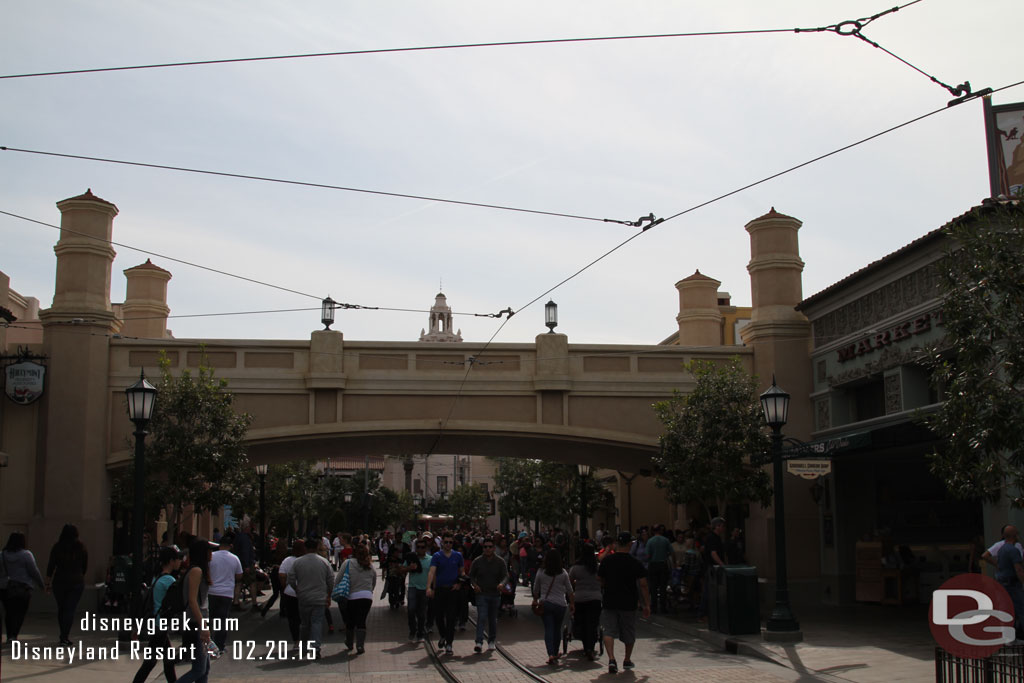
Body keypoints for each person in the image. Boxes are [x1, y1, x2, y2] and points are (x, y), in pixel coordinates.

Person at [599, 532, 650, 675]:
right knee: (629, 630)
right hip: (629, 601)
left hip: (610, 599)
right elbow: (643, 584)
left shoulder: (607, 561)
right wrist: (646, 604)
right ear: (630, 544)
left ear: (616, 544)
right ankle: (627, 659)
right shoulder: (634, 562)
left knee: (608, 630)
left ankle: (611, 659)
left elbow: (600, 578)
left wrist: (606, 585)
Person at [132, 545, 183, 683]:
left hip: (157, 624)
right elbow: (178, 602)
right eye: (178, 559)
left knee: (167, 660)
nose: (180, 561)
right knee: (150, 662)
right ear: (171, 561)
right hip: (160, 625)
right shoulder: (169, 580)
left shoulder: (158, 577)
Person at [288, 536, 334, 658]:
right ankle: (315, 648)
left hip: (304, 597)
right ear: (317, 547)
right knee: (317, 623)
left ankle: (303, 647)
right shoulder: (324, 562)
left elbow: (291, 578)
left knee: (304, 624)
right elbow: (330, 580)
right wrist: (328, 595)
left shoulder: (298, 562)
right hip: (319, 597)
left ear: (305, 548)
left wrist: (297, 589)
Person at [176, 537, 214, 683]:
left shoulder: (198, 570)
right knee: (199, 670)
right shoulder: (196, 571)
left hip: (198, 622)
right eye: (209, 550)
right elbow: (192, 601)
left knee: (204, 670)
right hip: (195, 623)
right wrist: (203, 626)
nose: (211, 554)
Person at [46, 523, 89, 645]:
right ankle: (64, 635)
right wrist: (80, 575)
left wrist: (47, 582)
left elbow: (51, 565)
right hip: (76, 581)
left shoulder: (57, 547)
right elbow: (85, 566)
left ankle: (63, 634)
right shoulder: (81, 547)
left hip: (60, 580)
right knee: (70, 609)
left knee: (62, 608)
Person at [1, 532, 45, 644]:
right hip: (23, 588)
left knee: (9, 612)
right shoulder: (26, 555)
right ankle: (14, 635)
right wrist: (41, 585)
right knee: (20, 613)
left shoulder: (2, 555)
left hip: (6, 587)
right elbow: (34, 571)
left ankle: (9, 634)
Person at [532, 547, 574, 666]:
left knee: (549, 629)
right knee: (557, 629)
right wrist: (572, 604)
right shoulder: (563, 573)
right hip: (561, 605)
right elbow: (570, 590)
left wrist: (535, 599)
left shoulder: (541, 572)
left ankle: (550, 653)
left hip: (546, 604)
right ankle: (555, 653)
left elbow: (536, 589)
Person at [427, 531, 466, 655]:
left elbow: (462, 573)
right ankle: (443, 635)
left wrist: (459, 583)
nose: (448, 544)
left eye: (450, 542)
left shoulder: (458, 556)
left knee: (451, 617)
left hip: (452, 590)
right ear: (442, 542)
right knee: (438, 616)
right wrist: (429, 587)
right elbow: (432, 572)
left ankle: (449, 643)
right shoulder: (437, 556)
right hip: (440, 589)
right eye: (446, 542)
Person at [469, 536, 508, 652]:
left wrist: (502, 584)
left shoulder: (500, 561)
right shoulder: (477, 561)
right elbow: (471, 575)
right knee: (481, 617)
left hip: (495, 594)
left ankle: (491, 640)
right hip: (482, 594)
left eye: (490, 547)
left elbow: (506, 575)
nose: (487, 549)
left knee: (492, 619)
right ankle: (479, 642)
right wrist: (474, 585)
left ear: (494, 548)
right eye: (485, 547)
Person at [336, 543, 377, 654]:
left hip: (351, 596)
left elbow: (338, 579)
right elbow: (374, 580)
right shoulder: (370, 565)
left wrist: (336, 589)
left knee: (350, 621)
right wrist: (370, 590)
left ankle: (349, 642)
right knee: (361, 621)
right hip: (366, 596)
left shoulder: (348, 563)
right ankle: (360, 645)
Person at [208, 532, 243, 654]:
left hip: (212, 591)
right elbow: (239, 576)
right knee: (222, 621)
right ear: (230, 546)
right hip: (226, 593)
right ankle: (220, 645)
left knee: (210, 619)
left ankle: (208, 643)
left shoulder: (211, 556)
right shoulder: (234, 558)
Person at [569, 542, 602, 660]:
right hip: (595, 598)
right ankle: (590, 647)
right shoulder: (597, 567)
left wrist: (576, 585)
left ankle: (586, 646)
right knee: (592, 623)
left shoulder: (576, 568)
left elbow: (569, 582)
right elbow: (603, 580)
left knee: (582, 622)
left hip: (580, 598)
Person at [994, 525, 1024, 640]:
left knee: (1009, 611)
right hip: (1013, 585)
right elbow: (1019, 569)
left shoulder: (1002, 550)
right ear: (1015, 535)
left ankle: (1010, 637)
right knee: (1021, 609)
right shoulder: (1013, 550)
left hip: (1003, 584)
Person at [403, 536, 432, 641]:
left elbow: (433, 574)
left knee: (422, 612)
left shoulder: (430, 559)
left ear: (426, 548)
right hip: (412, 587)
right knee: (411, 610)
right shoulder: (411, 558)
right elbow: (402, 569)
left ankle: (420, 633)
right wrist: (409, 568)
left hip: (425, 588)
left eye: (422, 547)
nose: (420, 549)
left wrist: (432, 588)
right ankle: (412, 630)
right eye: (418, 547)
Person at [699, 518, 727, 621]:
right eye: (722, 526)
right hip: (711, 568)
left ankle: (708, 613)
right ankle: (703, 614)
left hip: (713, 568)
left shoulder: (716, 538)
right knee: (708, 591)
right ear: (717, 526)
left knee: (711, 591)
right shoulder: (712, 538)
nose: (724, 528)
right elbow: (713, 553)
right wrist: (722, 565)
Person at [279, 539, 306, 646]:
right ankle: (305, 640)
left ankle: (296, 640)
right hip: (305, 592)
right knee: (305, 618)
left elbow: (281, 575)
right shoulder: (307, 560)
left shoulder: (287, 560)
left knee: (292, 618)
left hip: (290, 592)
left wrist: (285, 586)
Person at [644, 525, 672, 614]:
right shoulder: (665, 540)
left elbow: (647, 555)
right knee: (663, 587)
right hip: (663, 564)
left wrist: (648, 560)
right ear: (660, 531)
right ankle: (663, 607)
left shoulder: (650, 541)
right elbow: (671, 552)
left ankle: (654, 606)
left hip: (653, 565)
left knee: (653, 587)